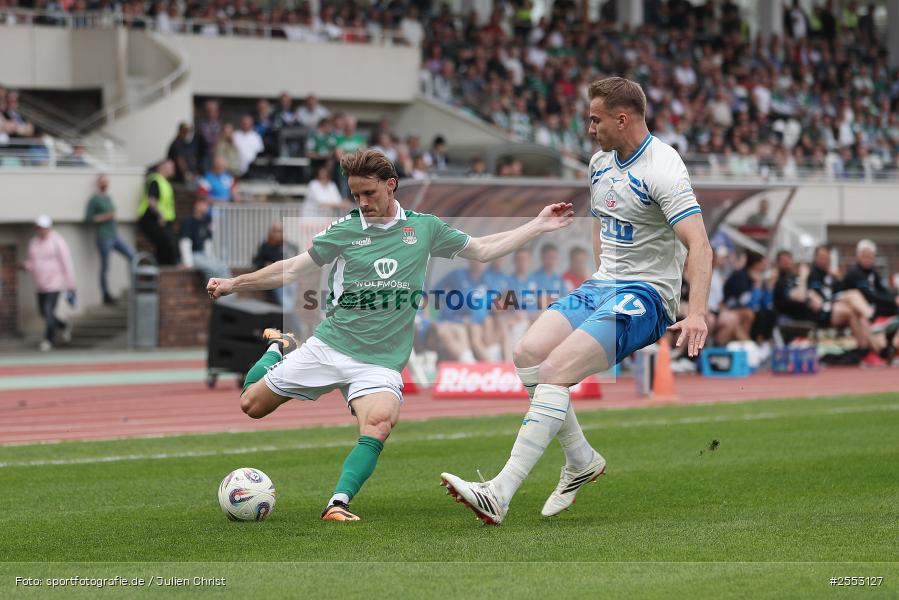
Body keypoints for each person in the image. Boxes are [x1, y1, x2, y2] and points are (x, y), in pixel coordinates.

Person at [206, 149, 573, 522]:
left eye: (369, 193)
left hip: (380, 362)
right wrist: (235, 283)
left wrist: (537, 225)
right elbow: (291, 268)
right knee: (251, 405)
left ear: (391, 185)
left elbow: (483, 249)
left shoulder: (424, 228)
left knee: (379, 423)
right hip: (330, 346)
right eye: (356, 195)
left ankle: (338, 503)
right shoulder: (344, 231)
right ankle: (277, 348)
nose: (363, 203)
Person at [440, 77, 713, 525]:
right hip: (603, 283)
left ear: (621, 119)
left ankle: (499, 492)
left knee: (554, 372)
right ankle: (582, 459)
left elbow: (699, 244)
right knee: (527, 353)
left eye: (595, 119)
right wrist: (600, 273)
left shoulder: (663, 168)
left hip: (646, 295)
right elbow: (601, 221)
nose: (589, 128)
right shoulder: (599, 162)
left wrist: (696, 311)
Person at [24, 215, 76, 352]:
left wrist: (71, 285)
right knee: (43, 313)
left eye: (43, 228)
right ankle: (63, 326)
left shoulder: (57, 241)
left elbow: (67, 263)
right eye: (39, 228)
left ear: (49, 228)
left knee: (48, 312)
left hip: (54, 284)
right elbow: (32, 262)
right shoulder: (34, 243)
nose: (41, 230)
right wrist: (26, 266)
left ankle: (48, 340)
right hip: (40, 285)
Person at [84, 174, 135, 305]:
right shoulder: (94, 200)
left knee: (132, 255)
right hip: (103, 236)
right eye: (102, 182)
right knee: (105, 266)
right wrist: (105, 216)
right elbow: (88, 219)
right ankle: (106, 294)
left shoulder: (109, 198)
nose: (105, 184)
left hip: (114, 235)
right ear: (98, 184)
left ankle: (134, 286)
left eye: (106, 182)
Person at [841, 239, 899, 319]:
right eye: (864, 256)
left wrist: (895, 297)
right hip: (858, 306)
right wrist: (893, 300)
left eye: (870, 256)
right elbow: (868, 295)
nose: (867, 259)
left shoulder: (872, 272)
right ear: (858, 256)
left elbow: (881, 290)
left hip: (871, 303)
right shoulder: (855, 272)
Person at [137, 160, 178, 265]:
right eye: (171, 167)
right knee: (167, 243)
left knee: (163, 247)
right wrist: (160, 215)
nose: (173, 169)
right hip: (152, 219)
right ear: (164, 168)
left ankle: (163, 268)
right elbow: (152, 201)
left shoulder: (165, 182)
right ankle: (169, 267)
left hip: (165, 220)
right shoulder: (155, 181)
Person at [178, 198, 231, 281]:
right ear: (197, 205)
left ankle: (228, 289)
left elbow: (208, 241)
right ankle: (213, 289)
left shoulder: (207, 220)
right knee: (212, 268)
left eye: (207, 205)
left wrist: (210, 257)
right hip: (193, 255)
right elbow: (185, 242)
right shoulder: (188, 221)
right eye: (204, 204)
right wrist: (187, 262)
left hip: (204, 255)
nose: (206, 207)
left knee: (223, 266)